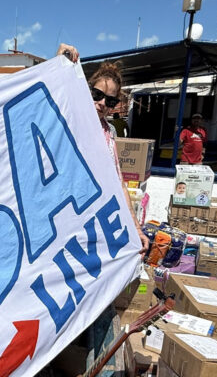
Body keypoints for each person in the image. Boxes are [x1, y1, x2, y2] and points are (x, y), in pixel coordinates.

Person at [58, 43, 149, 253]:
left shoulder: (109, 133)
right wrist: (60, 61)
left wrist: (136, 227)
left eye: (110, 101)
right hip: (61, 215)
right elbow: (53, 96)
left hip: (89, 221)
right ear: (87, 90)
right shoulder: (70, 116)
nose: (101, 103)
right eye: (97, 94)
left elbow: (119, 183)